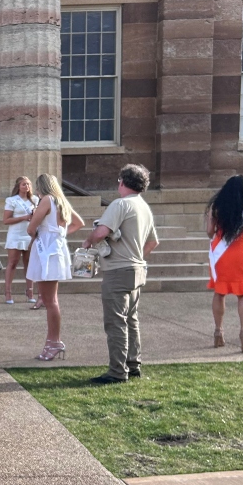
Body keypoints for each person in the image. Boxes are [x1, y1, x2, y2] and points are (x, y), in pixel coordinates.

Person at [81, 163, 159, 384]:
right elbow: (153, 242)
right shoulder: (144, 206)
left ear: (123, 181)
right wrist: (137, 257)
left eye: (119, 180)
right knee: (131, 320)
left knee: (115, 322)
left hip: (117, 270)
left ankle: (117, 371)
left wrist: (89, 239)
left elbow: (102, 231)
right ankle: (133, 365)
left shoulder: (120, 204)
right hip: (136, 269)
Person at [25, 174, 84, 361]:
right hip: (55, 249)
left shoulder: (47, 200)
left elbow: (30, 229)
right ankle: (53, 341)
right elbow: (78, 223)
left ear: (41, 187)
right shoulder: (61, 201)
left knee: (50, 301)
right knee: (50, 300)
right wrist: (60, 234)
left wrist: (41, 228)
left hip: (47, 252)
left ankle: (54, 342)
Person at [206, 175, 243, 353]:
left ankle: (218, 332)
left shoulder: (217, 206)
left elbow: (210, 232)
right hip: (241, 252)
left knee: (219, 292)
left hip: (220, 254)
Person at [3, 176, 39, 306]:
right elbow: (6, 220)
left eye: (28, 184)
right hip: (16, 234)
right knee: (12, 263)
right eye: (24, 184)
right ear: (18, 186)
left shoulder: (35, 200)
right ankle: (8, 292)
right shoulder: (12, 200)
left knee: (29, 263)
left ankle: (30, 292)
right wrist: (24, 217)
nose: (27, 186)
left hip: (29, 234)